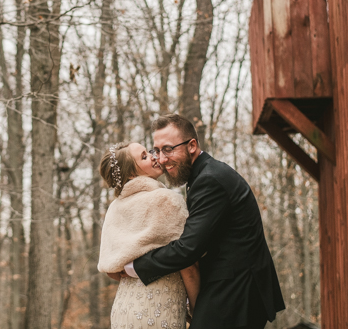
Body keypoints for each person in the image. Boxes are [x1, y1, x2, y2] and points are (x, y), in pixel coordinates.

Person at [120, 114, 286, 329]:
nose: (161, 159)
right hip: (229, 285)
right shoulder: (202, 176)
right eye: (157, 150)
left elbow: (188, 249)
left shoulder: (210, 180)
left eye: (168, 149)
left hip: (237, 290)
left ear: (191, 145)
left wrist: (135, 266)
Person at [98, 141, 200, 328]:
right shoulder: (167, 200)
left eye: (149, 151)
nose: (154, 156)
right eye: (144, 157)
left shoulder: (115, 208)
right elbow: (188, 265)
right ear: (130, 173)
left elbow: (112, 271)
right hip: (158, 309)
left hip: (123, 311)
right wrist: (198, 311)